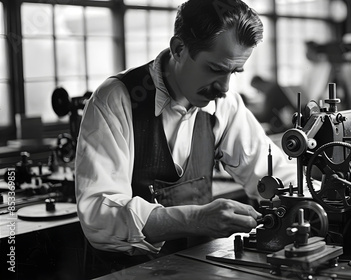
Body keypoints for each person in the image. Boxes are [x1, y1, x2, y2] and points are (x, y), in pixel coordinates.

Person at [75, 0, 296, 273]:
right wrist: (194, 218)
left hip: (197, 270)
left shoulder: (224, 104)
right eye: (215, 69)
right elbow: (99, 215)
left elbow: (273, 175)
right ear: (179, 49)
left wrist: (327, 196)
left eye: (234, 72)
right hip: (128, 273)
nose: (225, 87)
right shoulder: (116, 99)